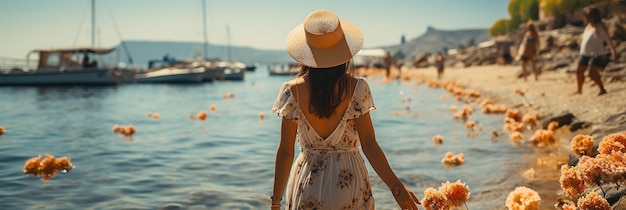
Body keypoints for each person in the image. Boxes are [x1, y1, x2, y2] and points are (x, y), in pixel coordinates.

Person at [271, 9, 421, 210]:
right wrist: (397, 188)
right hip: (349, 183)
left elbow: (285, 152)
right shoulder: (357, 89)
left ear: (307, 52)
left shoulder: (292, 92)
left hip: (307, 183)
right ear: (343, 50)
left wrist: (275, 202)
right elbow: (369, 144)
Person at [572, 6, 617, 96]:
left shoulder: (600, 27)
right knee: (579, 72)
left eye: (586, 16)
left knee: (592, 73)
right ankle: (579, 90)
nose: (584, 18)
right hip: (584, 53)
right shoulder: (588, 26)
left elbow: (608, 40)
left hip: (596, 53)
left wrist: (613, 52)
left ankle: (602, 89)